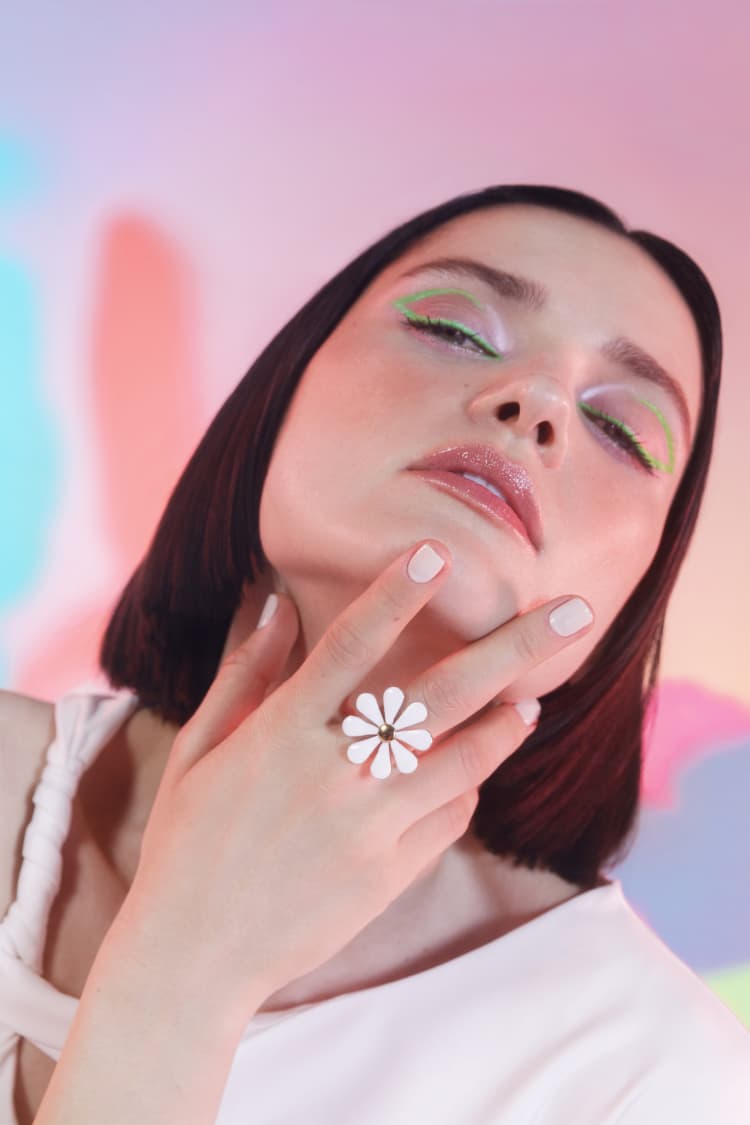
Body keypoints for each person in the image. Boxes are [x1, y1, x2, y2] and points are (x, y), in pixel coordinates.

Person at [1, 184, 748, 1124]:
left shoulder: (655, 1077)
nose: (539, 404)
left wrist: (196, 960)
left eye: (622, 430)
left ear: (637, 594)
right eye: (453, 328)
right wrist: (191, 945)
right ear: (281, 389)